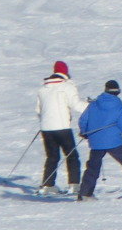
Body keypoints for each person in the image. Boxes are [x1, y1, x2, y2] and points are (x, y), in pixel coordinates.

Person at [77, 80, 122, 200]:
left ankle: (85, 194)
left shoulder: (93, 104)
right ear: (118, 92)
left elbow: (83, 121)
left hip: (95, 141)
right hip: (114, 142)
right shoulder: (120, 107)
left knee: (93, 167)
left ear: (105, 90)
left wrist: (85, 132)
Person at [36, 61, 82, 195]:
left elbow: (38, 110)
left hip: (46, 128)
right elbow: (77, 105)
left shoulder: (43, 89)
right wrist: (92, 107)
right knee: (72, 155)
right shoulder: (67, 86)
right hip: (62, 127)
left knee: (52, 156)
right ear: (65, 72)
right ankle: (74, 185)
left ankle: (47, 185)